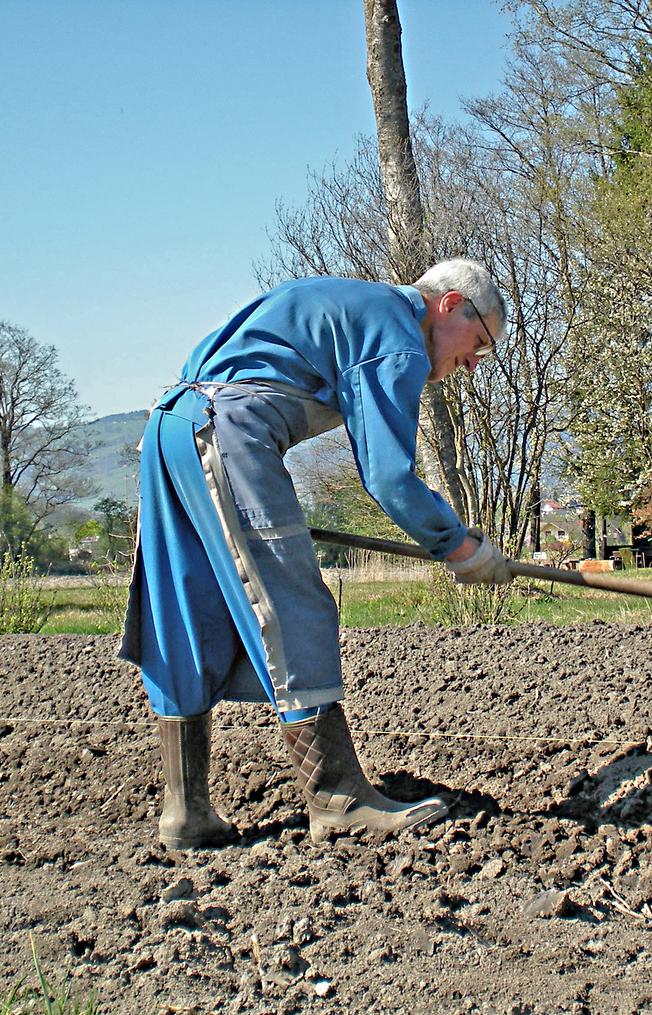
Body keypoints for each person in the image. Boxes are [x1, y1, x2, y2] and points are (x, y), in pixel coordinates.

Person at [119, 259, 512, 848]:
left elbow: (215, 364)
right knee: (292, 602)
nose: (471, 365)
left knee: (186, 607)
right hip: (228, 432)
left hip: (173, 426)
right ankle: (339, 798)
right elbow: (387, 476)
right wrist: (460, 545)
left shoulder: (339, 302)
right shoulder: (398, 333)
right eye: (478, 344)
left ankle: (185, 813)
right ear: (450, 304)